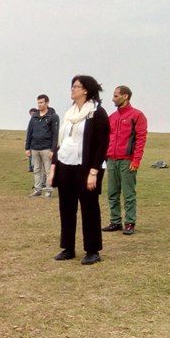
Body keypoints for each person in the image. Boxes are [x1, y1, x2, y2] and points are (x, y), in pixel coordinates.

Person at [47, 75, 109, 265]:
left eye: (76, 86)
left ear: (86, 90)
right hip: (66, 165)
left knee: (89, 208)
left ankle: (92, 250)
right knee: (66, 208)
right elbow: (62, 142)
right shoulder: (69, 113)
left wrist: (93, 171)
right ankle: (68, 248)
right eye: (72, 86)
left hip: (86, 168)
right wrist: (54, 167)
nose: (72, 89)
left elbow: (101, 145)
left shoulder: (97, 113)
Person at [102, 86, 148, 235]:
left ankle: (129, 223)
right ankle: (115, 221)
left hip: (127, 161)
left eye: (116, 96)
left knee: (128, 193)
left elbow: (141, 139)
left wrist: (136, 161)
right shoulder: (112, 117)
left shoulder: (137, 115)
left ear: (125, 96)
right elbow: (106, 138)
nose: (113, 98)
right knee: (112, 193)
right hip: (111, 160)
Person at [25, 95, 59, 197]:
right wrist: (27, 147)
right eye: (38, 103)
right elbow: (29, 132)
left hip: (47, 148)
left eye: (41, 102)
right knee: (36, 169)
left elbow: (55, 134)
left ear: (47, 103)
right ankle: (38, 189)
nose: (39, 104)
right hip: (34, 147)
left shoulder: (53, 116)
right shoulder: (34, 117)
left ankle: (48, 190)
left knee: (48, 170)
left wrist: (53, 150)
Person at [27, 108, 38, 172]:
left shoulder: (37, 121)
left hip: (35, 141)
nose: (32, 115)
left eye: (33, 113)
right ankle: (31, 167)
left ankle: (34, 167)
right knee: (30, 155)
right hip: (30, 141)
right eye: (31, 113)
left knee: (35, 155)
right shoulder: (31, 121)